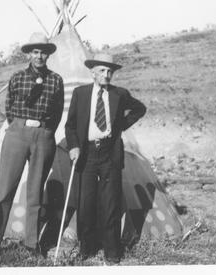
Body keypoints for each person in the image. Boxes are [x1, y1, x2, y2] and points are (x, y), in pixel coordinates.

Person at [0, 32, 64, 258]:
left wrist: (45, 131)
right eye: (35, 52)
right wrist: (19, 127)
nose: (39, 56)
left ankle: (32, 244)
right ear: (29, 54)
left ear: (48, 55)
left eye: (43, 52)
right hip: (17, 135)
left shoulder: (56, 80)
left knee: (36, 191)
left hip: (43, 136)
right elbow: (9, 108)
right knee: (5, 189)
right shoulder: (17, 77)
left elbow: (57, 112)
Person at [65, 53, 146, 264]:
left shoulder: (119, 94)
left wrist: (119, 127)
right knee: (86, 203)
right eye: (102, 70)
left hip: (110, 153)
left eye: (110, 71)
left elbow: (140, 109)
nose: (107, 74)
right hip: (87, 154)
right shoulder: (80, 94)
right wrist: (73, 146)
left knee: (110, 203)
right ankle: (87, 247)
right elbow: (70, 125)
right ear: (92, 72)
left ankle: (112, 251)